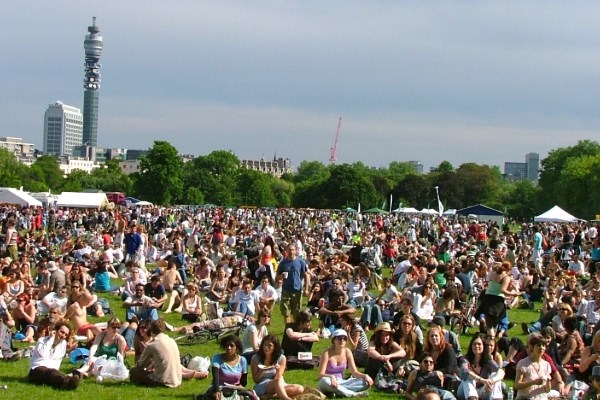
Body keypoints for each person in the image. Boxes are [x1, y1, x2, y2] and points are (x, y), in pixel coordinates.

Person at [318, 328, 373, 397]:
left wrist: (365, 375)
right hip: (328, 381)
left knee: (365, 382)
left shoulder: (347, 352)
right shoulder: (327, 353)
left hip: (342, 382)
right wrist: (331, 377)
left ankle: (337, 391)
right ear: (333, 340)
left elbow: (355, 372)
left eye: (344, 338)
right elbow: (320, 374)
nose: (342, 340)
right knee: (324, 381)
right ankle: (353, 394)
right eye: (339, 338)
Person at [28, 320, 80, 390]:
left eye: (65, 334)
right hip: (36, 371)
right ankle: (67, 383)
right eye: (62, 332)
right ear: (55, 331)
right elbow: (43, 355)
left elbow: (57, 360)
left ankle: (68, 383)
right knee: (51, 372)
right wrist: (51, 339)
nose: (63, 336)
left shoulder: (63, 344)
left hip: (51, 373)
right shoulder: (42, 340)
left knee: (53, 373)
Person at [251, 335, 306, 400]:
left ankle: (271, 395)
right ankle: (286, 398)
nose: (266, 347)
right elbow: (256, 380)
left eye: (270, 345)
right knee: (277, 381)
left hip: (279, 383)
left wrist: (277, 371)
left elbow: (278, 377)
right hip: (263, 385)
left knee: (299, 389)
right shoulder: (256, 358)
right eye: (265, 344)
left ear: (275, 347)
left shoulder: (281, 358)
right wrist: (261, 371)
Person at [130, 319, 182, 387]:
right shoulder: (171, 340)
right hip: (178, 380)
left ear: (150, 330)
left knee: (134, 371)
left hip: (163, 381)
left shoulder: (152, 345)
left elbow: (140, 364)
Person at [204, 335, 258, 400]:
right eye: (227, 345)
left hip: (235, 389)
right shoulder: (217, 358)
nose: (229, 348)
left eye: (232, 346)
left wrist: (237, 387)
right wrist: (216, 391)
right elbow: (215, 376)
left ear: (237, 348)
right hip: (219, 388)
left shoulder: (242, 360)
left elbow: (244, 382)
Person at [456, 333, 504, 400]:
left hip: (483, 391)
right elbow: (465, 372)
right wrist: (482, 380)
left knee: (495, 375)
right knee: (467, 377)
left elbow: (501, 371)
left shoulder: (488, 360)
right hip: (465, 391)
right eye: (474, 344)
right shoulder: (465, 359)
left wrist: (491, 381)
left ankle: (496, 398)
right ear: (471, 346)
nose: (476, 346)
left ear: (484, 346)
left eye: (479, 344)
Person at [514, 333, 552, 400]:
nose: (541, 348)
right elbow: (517, 385)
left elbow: (547, 390)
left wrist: (548, 382)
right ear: (532, 347)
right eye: (538, 345)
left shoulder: (546, 365)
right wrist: (533, 382)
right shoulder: (523, 363)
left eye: (543, 345)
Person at [277, 244, 308, 324]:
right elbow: (277, 277)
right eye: (289, 250)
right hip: (286, 290)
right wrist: (281, 276)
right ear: (286, 251)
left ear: (296, 251)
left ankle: (296, 329)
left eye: (293, 250)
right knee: (286, 312)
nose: (291, 252)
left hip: (297, 289)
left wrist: (307, 288)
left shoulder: (301, 262)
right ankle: (288, 329)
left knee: (296, 312)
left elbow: (306, 275)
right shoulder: (283, 263)